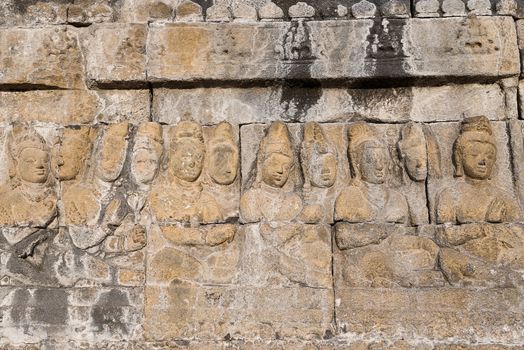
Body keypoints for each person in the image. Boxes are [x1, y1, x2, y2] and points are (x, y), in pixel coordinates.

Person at [335, 122, 410, 224]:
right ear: (357, 164)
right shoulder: (348, 197)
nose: (379, 167)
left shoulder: (398, 199)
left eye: (383, 160)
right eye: (370, 161)